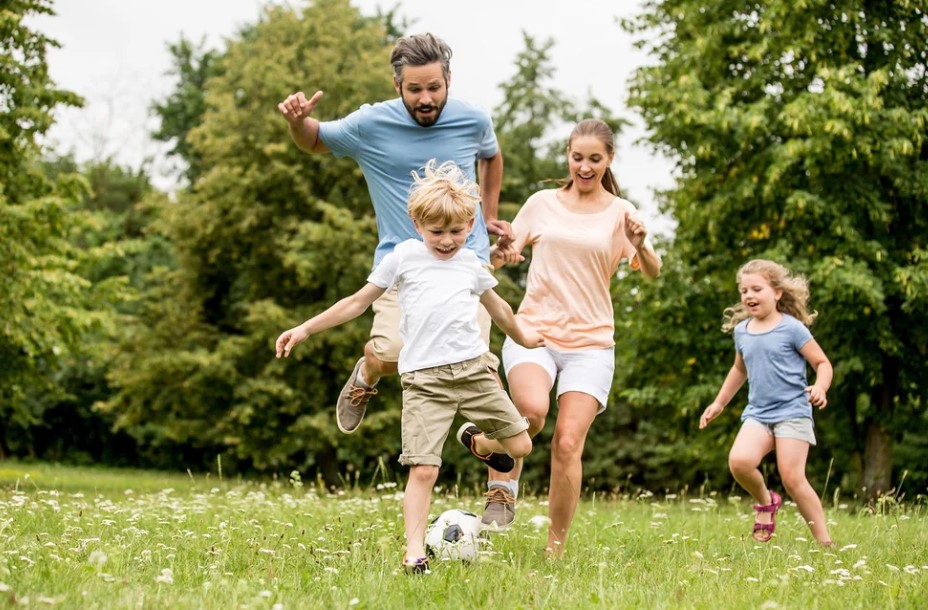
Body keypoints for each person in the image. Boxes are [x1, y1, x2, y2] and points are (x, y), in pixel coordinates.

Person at [275, 160, 543, 573]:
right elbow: (357, 302)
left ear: (470, 224)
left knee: (521, 445)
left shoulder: (472, 265)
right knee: (423, 469)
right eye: (437, 232)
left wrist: (526, 338)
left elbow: (501, 310)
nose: (447, 241)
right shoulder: (404, 258)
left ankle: (477, 440)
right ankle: (414, 552)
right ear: (417, 223)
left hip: (473, 373)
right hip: (425, 383)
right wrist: (306, 328)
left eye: (456, 232)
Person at [277, 33, 511, 435]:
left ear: (448, 80)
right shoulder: (371, 124)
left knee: (481, 368)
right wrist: (298, 122)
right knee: (393, 354)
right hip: (401, 268)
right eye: (415, 89)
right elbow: (313, 139)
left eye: (434, 88)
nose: (425, 98)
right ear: (397, 85)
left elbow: (490, 154)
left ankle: (500, 490)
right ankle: (368, 370)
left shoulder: (473, 119)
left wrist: (487, 215)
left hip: (466, 260)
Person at [465, 119, 662, 556]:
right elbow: (498, 257)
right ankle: (501, 482)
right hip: (534, 332)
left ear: (609, 159)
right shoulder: (542, 204)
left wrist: (642, 244)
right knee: (531, 414)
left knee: (568, 442)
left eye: (595, 159)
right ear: (568, 157)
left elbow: (651, 271)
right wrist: (503, 253)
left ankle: (555, 548)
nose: (585, 166)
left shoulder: (621, 213)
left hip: (591, 344)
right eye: (578, 157)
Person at [699, 259, 833, 545]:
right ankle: (766, 501)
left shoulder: (792, 329)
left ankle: (825, 544)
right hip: (759, 413)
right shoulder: (742, 332)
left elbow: (822, 363)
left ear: (777, 293)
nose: (749, 295)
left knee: (793, 479)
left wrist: (820, 387)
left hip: (793, 411)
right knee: (739, 461)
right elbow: (739, 370)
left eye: (756, 288)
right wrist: (719, 403)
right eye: (744, 290)